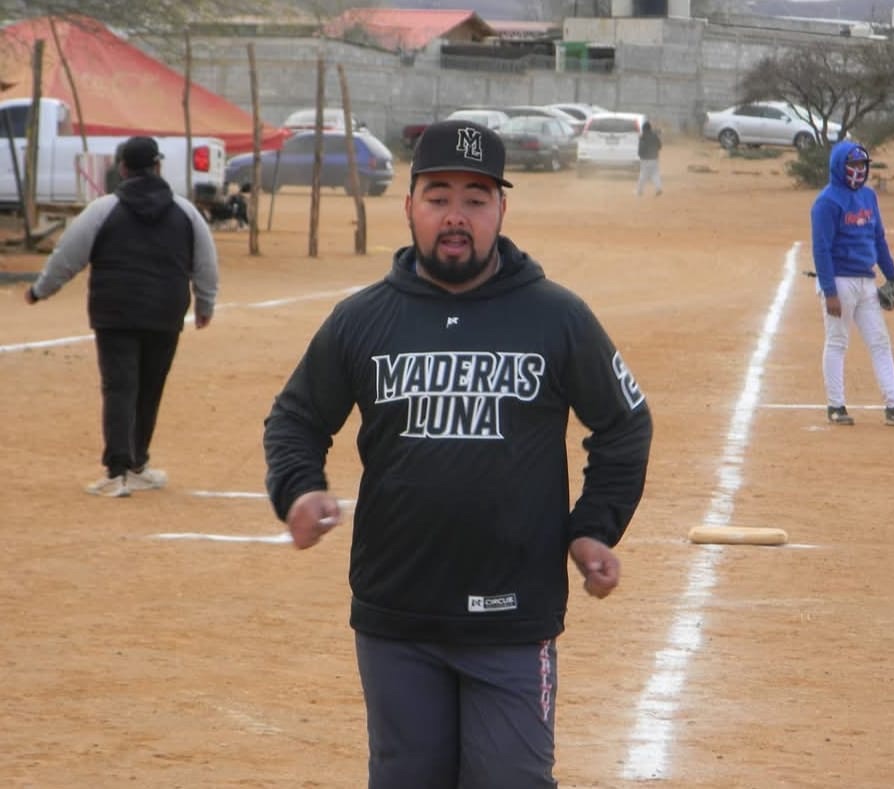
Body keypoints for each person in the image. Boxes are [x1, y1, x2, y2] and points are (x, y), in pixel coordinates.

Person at [263, 119, 652, 788]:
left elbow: (624, 423)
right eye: (438, 196)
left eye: (475, 199)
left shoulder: (557, 317)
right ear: (409, 205)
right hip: (397, 614)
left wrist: (593, 527)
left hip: (512, 615)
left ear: (501, 211)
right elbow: (296, 417)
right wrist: (299, 488)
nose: (456, 216)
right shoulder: (363, 319)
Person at [25, 135, 219, 497]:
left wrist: (41, 290)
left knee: (119, 388)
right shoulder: (186, 212)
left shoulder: (103, 209)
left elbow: (68, 255)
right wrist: (205, 305)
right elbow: (205, 262)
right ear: (158, 166)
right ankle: (136, 464)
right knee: (149, 389)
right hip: (165, 313)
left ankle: (117, 472)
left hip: (114, 314)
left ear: (123, 168)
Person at [811, 140, 894, 428]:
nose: (859, 170)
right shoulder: (827, 202)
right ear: (840, 166)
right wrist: (829, 291)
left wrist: (892, 275)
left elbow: (878, 238)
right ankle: (836, 405)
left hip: (866, 280)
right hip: (840, 281)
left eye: (863, 164)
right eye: (853, 164)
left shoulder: (868, 197)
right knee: (838, 341)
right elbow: (821, 249)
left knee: (879, 341)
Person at [635, 119, 662, 197]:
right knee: (655, 174)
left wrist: (640, 155)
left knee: (643, 175)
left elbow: (640, 148)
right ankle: (658, 188)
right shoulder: (655, 136)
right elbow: (660, 146)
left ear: (644, 129)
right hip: (654, 159)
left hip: (645, 160)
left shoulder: (642, 137)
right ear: (650, 128)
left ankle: (639, 191)